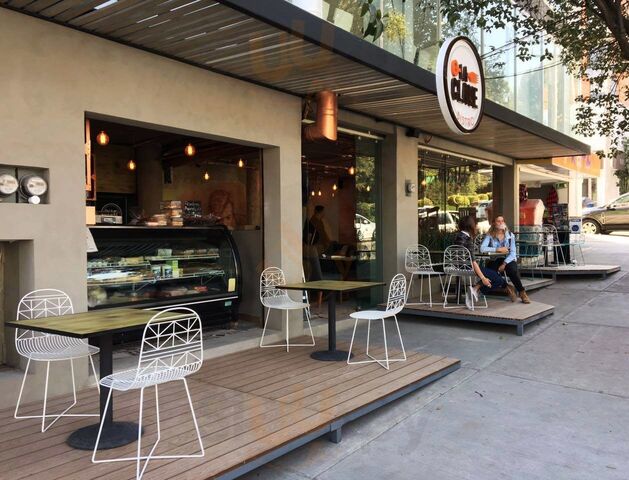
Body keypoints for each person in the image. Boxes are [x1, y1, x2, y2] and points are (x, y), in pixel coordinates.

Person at [453, 215, 516, 309]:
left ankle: (475, 289)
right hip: (468, 267)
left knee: (492, 274)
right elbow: (473, 262)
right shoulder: (468, 239)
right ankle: (475, 290)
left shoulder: (456, 236)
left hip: (454, 266)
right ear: (471, 225)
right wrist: (483, 278)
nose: (476, 225)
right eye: (475, 224)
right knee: (498, 280)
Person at [480, 215, 531, 304]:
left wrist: (504, 264)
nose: (501, 223)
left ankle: (522, 292)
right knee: (491, 271)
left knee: (512, 270)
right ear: (494, 223)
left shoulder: (510, 235)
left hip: (508, 259)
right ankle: (507, 287)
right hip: (495, 259)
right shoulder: (490, 235)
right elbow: (482, 248)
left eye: (502, 221)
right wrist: (497, 249)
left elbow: (513, 253)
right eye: (498, 221)